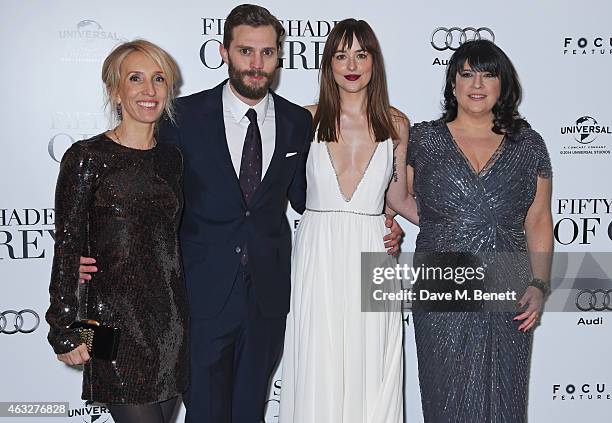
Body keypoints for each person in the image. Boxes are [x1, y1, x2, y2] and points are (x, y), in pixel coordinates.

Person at [78, 5, 403, 423]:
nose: (256, 63)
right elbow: (138, 196)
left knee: (250, 412)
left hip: (268, 300)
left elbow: (315, 197)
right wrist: (84, 266)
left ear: (279, 56)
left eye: (267, 53)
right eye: (245, 51)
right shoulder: (182, 117)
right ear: (223, 52)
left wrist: (383, 218)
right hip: (197, 300)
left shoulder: (296, 121)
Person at [279, 19, 418, 423]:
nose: (351, 64)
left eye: (361, 53)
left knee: (373, 361)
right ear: (328, 64)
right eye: (341, 55)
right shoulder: (304, 119)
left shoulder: (396, 123)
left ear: (374, 61)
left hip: (373, 248)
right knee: (318, 356)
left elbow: (397, 195)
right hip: (318, 249)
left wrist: (462, 223)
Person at [407, 39, 553, 422]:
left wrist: (538, 285)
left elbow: (538, 219)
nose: (477, 84)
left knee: (504, 395)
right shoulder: (423, 140)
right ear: (452, 83)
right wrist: (441, 223)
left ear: (503, 85)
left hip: (509, 281)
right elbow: (393, 195)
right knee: (445, 398)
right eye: (467, 73)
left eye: (489, 74)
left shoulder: (528, 144)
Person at [46, 39, 187, 423]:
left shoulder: (171, 159)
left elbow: (168, 241)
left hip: (169, 326)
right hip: (107, 325)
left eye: (159, 79)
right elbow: (68, 243)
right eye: (136, 78)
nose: (149, 90)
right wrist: (62, 327)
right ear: (116, 90)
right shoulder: (87, 157)